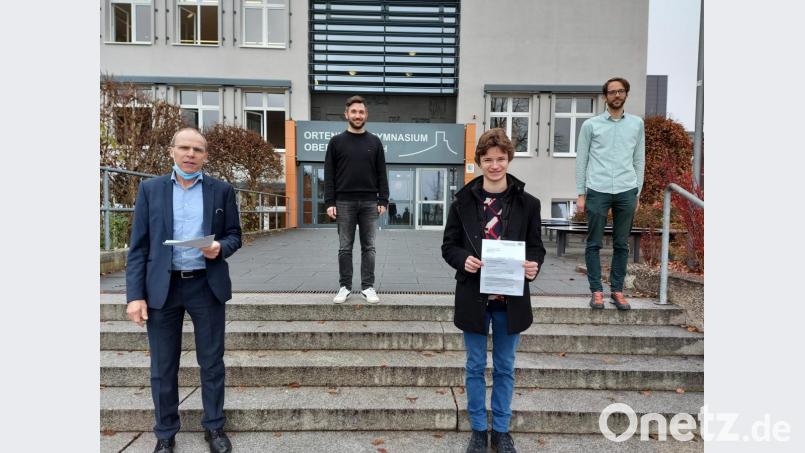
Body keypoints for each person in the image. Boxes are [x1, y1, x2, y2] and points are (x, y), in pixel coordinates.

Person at [126, 127, 242, 453]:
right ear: (172, 151)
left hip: (206, 285)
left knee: (212, 362)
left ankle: (214, 428)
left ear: (206, 155)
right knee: (163, 366)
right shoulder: (151, 190)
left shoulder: (221, 191)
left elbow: (235, 234)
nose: (191, 154)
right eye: (185, 148)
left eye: (198, 150)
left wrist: (220, 246)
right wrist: (135, 295)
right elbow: (139, 247)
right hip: (162, 287)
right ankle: (165, 433)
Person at [442, 128, 545, 453]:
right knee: (474, 366)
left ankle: (500, 430)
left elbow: (537, 248)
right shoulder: (462, 202)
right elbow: (449, 246)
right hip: (474, 296)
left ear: (509, 159)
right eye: (488, 159)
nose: (495, 165)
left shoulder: (529, 204)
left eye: (501, 158)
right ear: (480, 162)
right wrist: (463, 260)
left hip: (510, 300)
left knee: (504, 367)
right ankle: (478, 429)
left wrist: (532, 265)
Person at [575, 76, 645, 311]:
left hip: (626, 188)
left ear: (626, 94)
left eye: (621, 91)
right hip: (597, 189)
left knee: (622, 244)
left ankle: (617, 291)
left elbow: (639, 159)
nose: (617, 95)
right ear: (605, 96)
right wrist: (580, 193)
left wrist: (637, 192)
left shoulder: (636, 124)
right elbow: (581, 160)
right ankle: (596, 291)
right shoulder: (591, 125)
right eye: (612, 92)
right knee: (593, 243)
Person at [324, 95, 389, 304]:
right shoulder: (336, 142)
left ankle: (368, 287)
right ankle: (345, 287)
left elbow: (381, 173)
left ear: (366, 115)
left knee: (369, 247)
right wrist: (329, 202)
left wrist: (383, 200)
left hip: (370, 202)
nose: (358, 115)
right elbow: (329, 174)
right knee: (345, 247)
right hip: (344, 203)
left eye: (361, 112)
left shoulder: (375, 142)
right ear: (346, 114)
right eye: (354, 112)